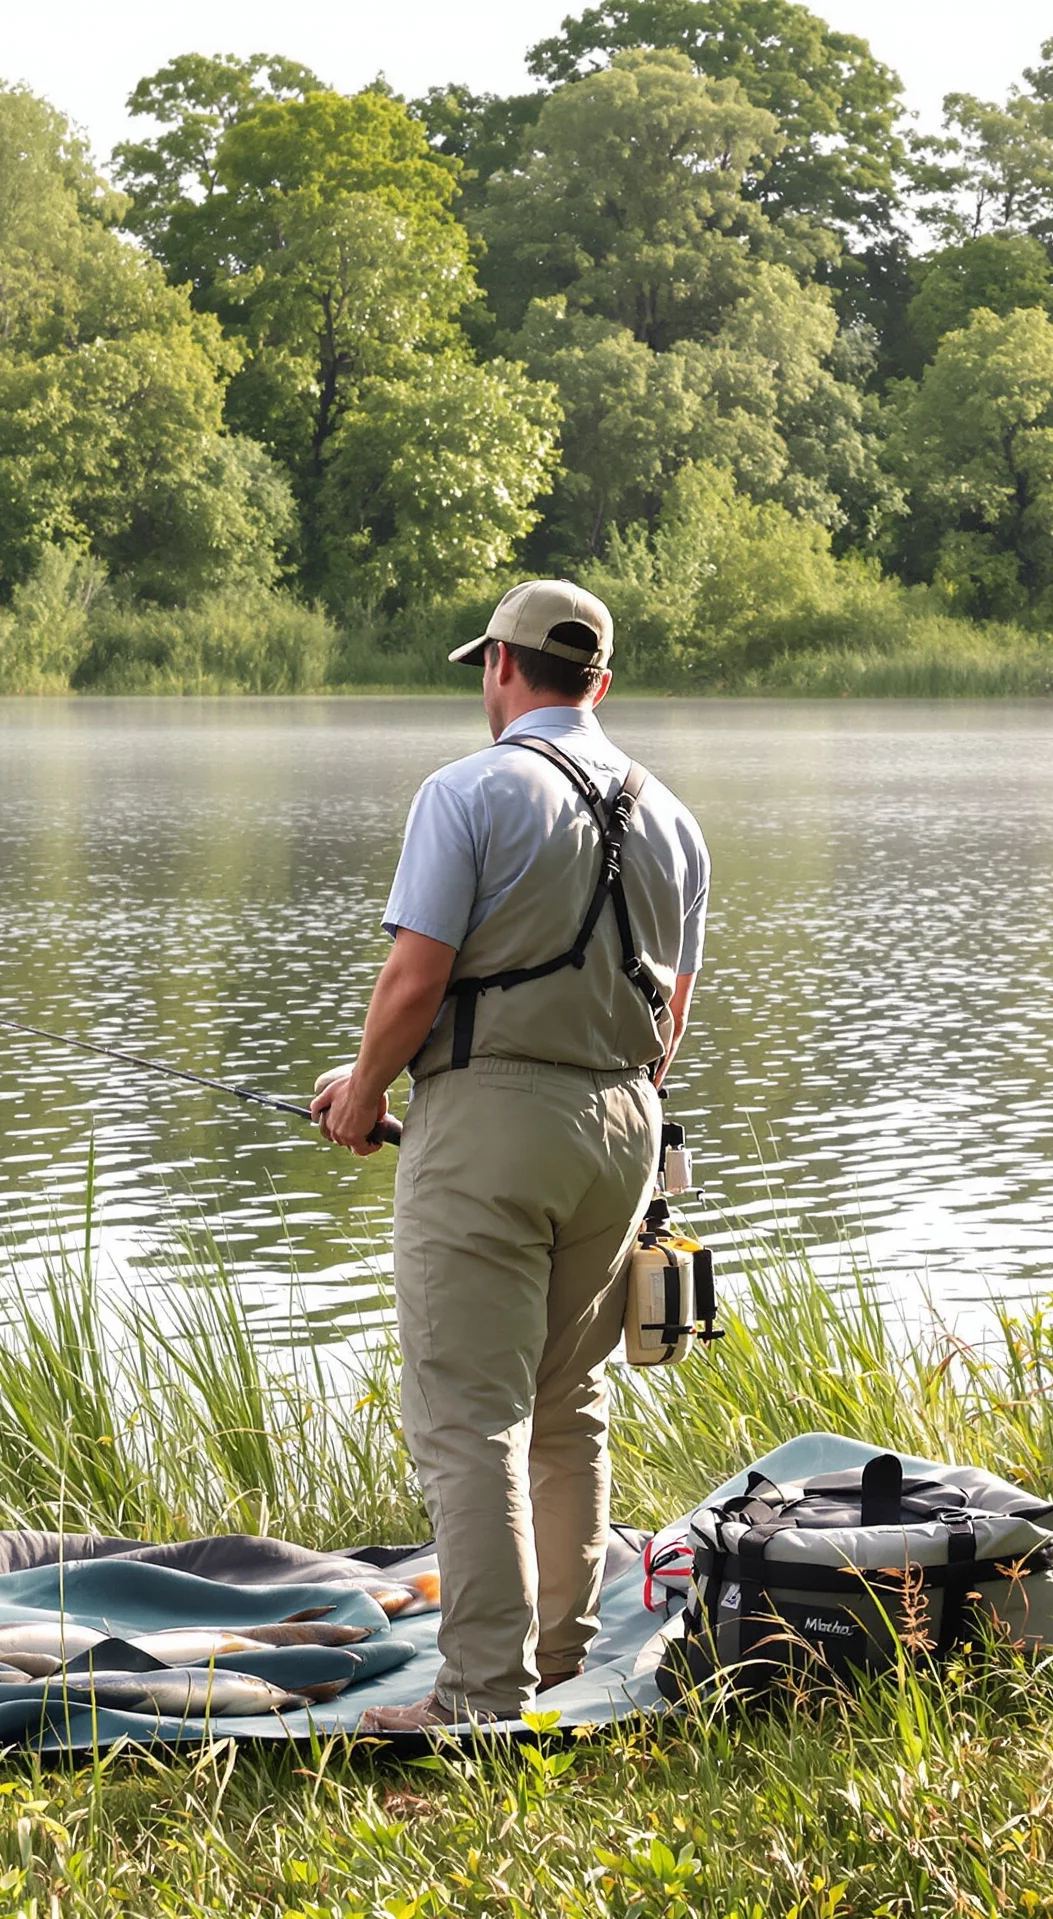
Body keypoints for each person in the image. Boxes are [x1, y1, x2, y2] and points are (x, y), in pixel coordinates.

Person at [310, 579, 709, 1727]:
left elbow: (413, 976)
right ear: (599, 680)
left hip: (490, 1127)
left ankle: (477, 1694)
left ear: (497, 665)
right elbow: (669, 1016)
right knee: (569, 1400)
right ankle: (561, 1665)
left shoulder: (468, 790)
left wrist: (362, 1091)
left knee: (467, 1409)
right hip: (624, 1128)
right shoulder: (672, 818)